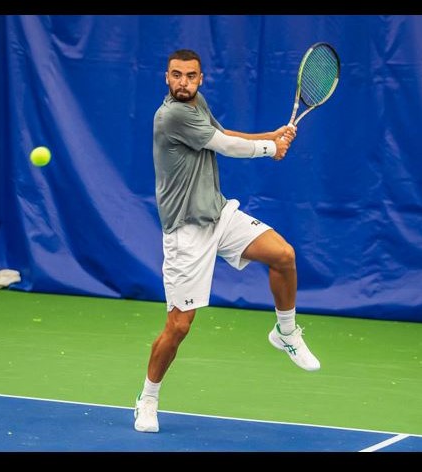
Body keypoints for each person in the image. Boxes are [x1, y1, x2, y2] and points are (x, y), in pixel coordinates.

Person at [134, 49, 320, 433]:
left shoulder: (197, 103)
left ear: (201, 79)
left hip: (218, 215)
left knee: (283, 255)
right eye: (176, 75)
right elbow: (225, 147)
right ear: (165, 77)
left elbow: (222, 134)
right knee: (179, 327)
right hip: (186, 231)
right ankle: (147, 399)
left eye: (190, 76)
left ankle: (285, 332)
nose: (183, 82)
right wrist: (270, 149)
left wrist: (270, 135)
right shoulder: (171, 115)